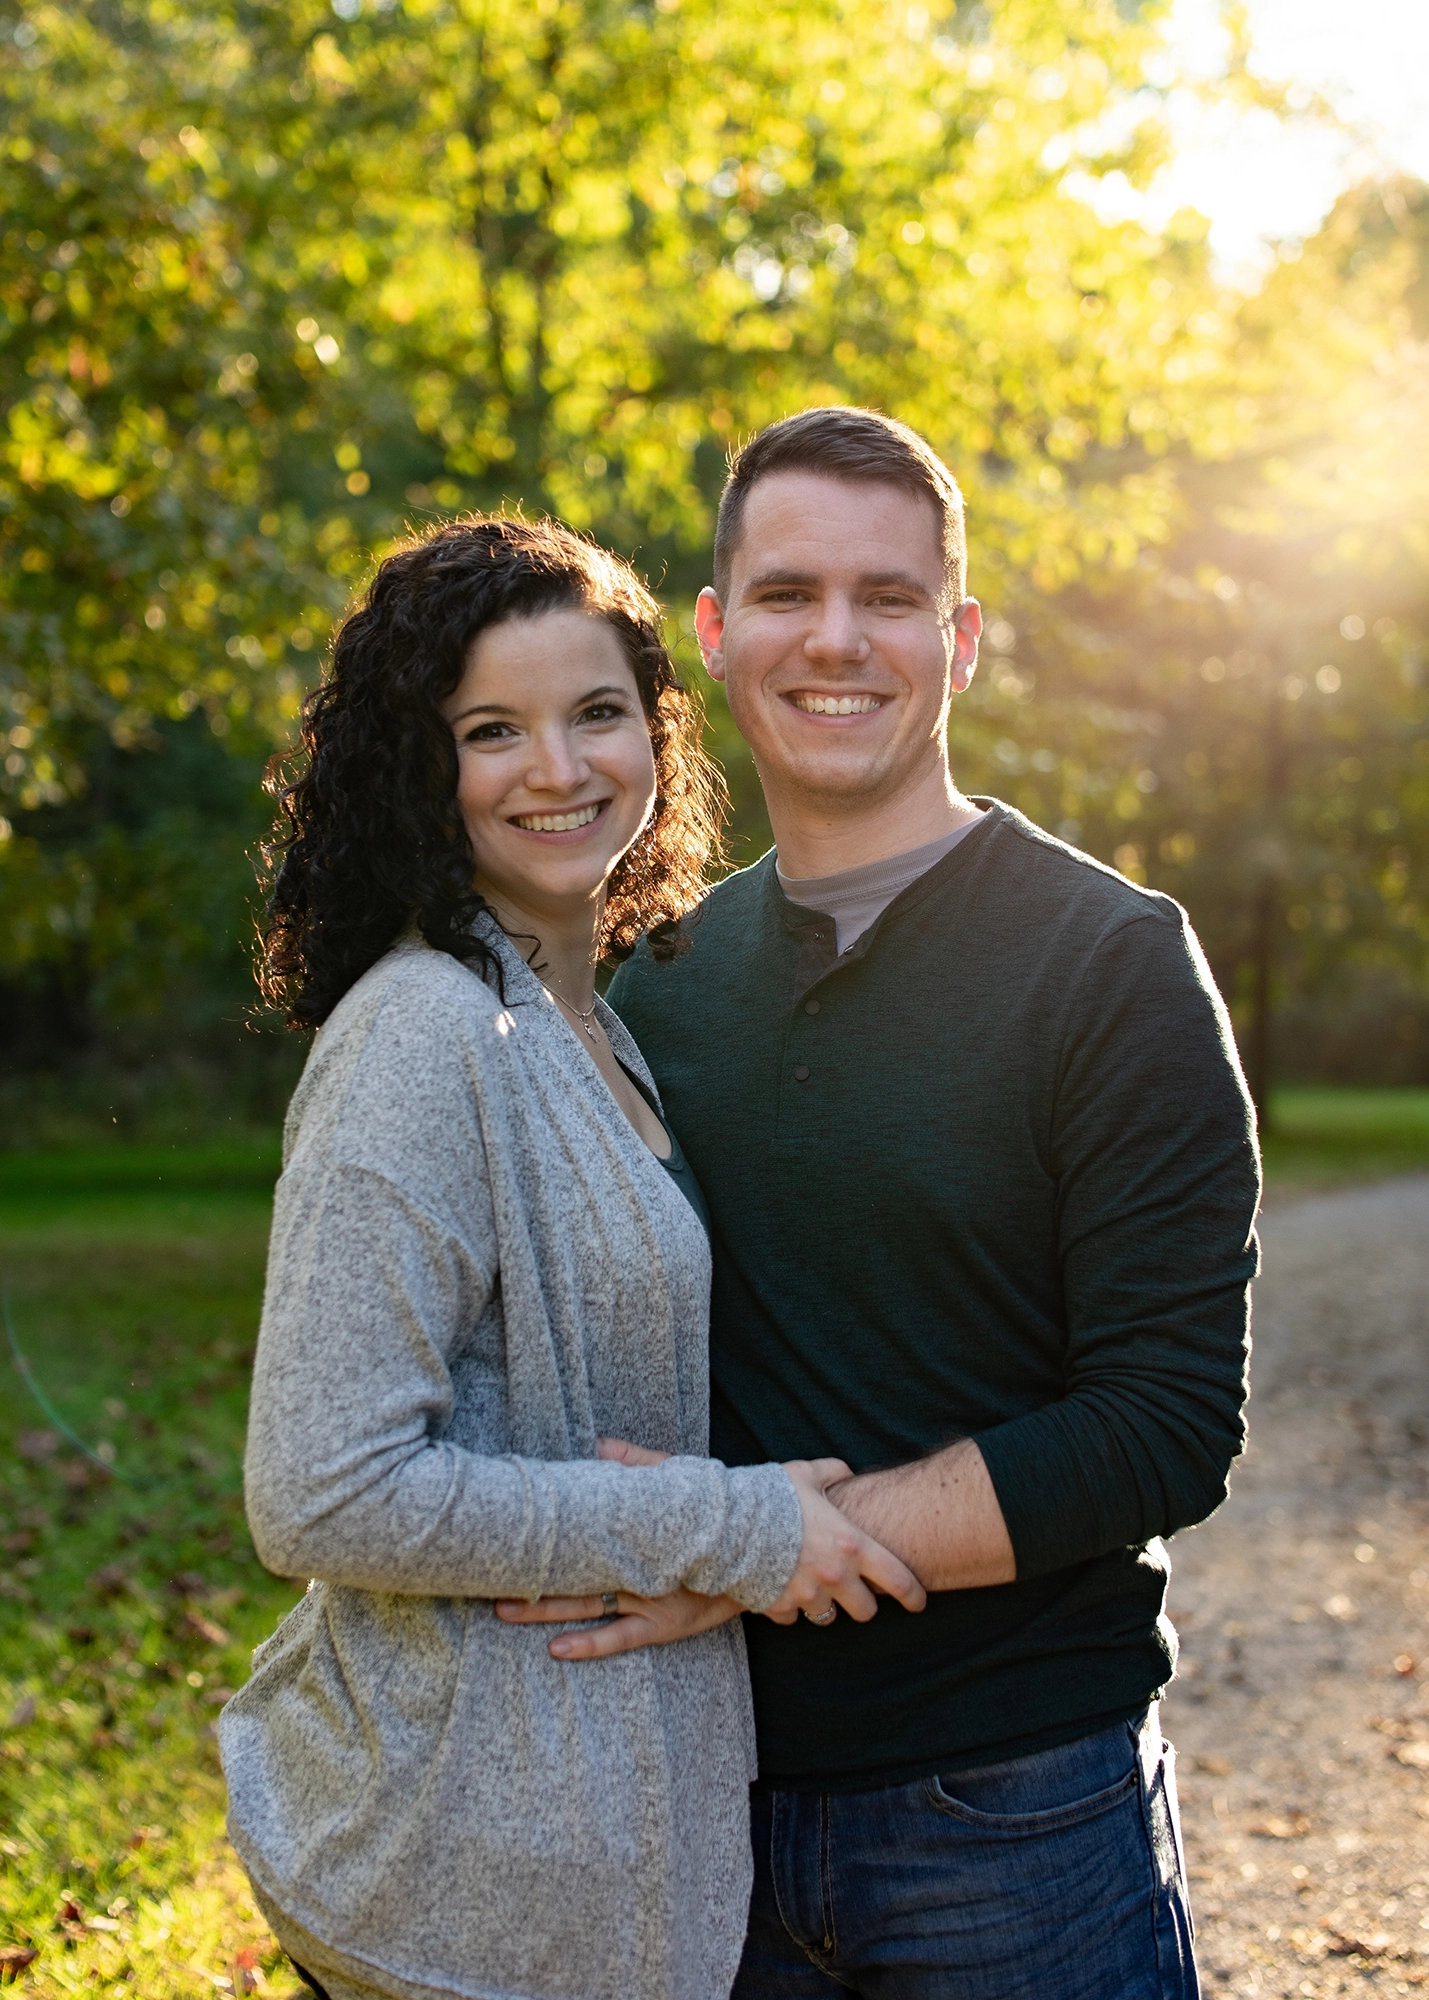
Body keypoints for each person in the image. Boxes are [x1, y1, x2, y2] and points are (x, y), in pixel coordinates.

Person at [516, 409, 1261, 1998]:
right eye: (787, 595)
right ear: (715, 636)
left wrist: (753, 1546)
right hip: (697, 1806)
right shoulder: (657, 984)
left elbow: (1163, 1425)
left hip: (1017, 1812)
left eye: (890, 598)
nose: (835, 640)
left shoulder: (1112, 965)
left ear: (962, 637)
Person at [218, 515, 924, 2000]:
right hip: (459, 1888)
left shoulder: (587, 1028)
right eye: (493, 730)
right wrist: (728, 1533)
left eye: (598, 711)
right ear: (420, 769)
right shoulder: (420, 1036)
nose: (559, 767)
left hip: (594, 1876)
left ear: (657, 731)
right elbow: (322, 1488)